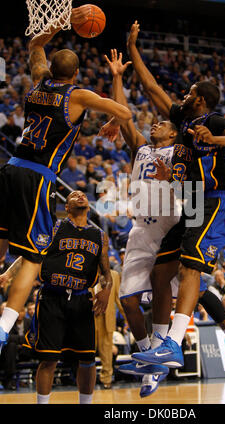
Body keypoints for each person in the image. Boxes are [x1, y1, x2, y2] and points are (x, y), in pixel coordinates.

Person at [126, 21, 225, 383]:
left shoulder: (211, 119)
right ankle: (160, 354)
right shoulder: (182, 122)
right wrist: (132, 47)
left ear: (199, 98)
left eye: (188, 92)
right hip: (190, 205)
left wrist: (216, 138)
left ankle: (171, 344)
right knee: (165, 273)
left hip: (215, 202)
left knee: (191, 272)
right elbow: (151, 86)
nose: (182, 94)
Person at [0, 5, 132, 351]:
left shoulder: (39, 81)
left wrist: (57, 27)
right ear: (75, 74)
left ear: (52, 69)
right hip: (37, 177)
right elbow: (125, 112)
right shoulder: (77, 96)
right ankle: (2, 327)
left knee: (0, 239)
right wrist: (116, 117)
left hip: (10, 167)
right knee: (33, 256)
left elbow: (34, 47)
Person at [100, 49, 180, 397]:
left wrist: (174, 178)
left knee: (173, 290)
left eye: (162, 123)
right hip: (140, 230)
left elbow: (191, 189)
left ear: (175, 135)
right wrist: (117, 77)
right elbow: (124, 118)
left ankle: (161, 351)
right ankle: (150, 357)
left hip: (170, 227)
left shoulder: (180, 153)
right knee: (129, 302)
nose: (154, 124)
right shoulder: (142, 149)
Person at [1, 190, 113, 403]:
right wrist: (7, 274)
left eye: (82, 195)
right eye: (73, 195)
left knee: (87, 359)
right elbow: (31, 256)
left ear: (88, 206)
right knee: (48, 359)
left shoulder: (99, 236)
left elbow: (106, 273)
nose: (79, 196)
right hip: (52, 297)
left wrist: (106, 290)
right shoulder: (54, 228)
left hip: (82, 300)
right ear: (67, 208)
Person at [93, 270, 125, 390]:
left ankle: (106, 380)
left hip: (106, 317)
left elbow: (118, 298)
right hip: (89, 316)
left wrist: (128, 317)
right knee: (88, 351)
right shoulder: (86, 270)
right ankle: (86, 379)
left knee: (106, 351)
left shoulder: (114, 275)